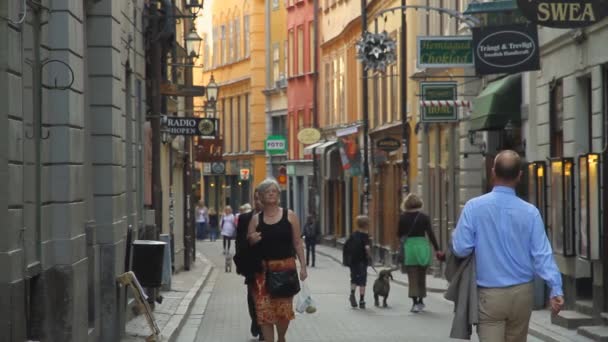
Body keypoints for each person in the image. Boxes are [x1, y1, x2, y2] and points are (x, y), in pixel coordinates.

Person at [452, 150, 564, 342]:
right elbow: (542, 255)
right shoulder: (530, 213)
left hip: (490, 294)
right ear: (520, 175)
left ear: (493, 171)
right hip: (522, 294)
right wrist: (556, 289)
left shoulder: (474, 207)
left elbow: (461, 248)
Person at [247, 178, 307, 342]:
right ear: (261, 196)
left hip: (285, 269)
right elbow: (248, 244)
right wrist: (252, 240)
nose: (271, 193)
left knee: (283, 312)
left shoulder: (290, 216)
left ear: (278, 195)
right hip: (263, 273)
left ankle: (281, 337)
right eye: (267, 191)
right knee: (264, 311)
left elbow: (297, 242)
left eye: (274, 191)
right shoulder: (256, 220)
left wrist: (303, 266)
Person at [398, 193, 443, 313]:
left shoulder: (403, 217)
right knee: (422, 275)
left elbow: (399, 234)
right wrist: (437, 249)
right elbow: (430, 234)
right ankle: (421, 301)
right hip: (422, 246)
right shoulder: (424, 217)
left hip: (410, 248)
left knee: (412, 276)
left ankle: (415, 303)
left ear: (406, 204)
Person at [234, 196, 264, 341]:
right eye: (256, 198)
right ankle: (255, 319)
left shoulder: (271, 217)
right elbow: (239, 242)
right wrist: (240, 263)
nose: (258, 201)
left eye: (260, 199)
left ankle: (263, 327)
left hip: (266, 265)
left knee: (265, 297)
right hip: (250, 264)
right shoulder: (245, 218)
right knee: (252, 297)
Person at [347, 215, 372, 309]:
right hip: (362, 261)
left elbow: (348, 246)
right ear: (366, 225)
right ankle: (361, 300)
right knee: (362, 280)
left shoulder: (353, 235)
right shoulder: (365, 236)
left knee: (353, 278)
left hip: (353, 261)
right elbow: (367, 248)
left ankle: (352, 294)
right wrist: (369, 256)